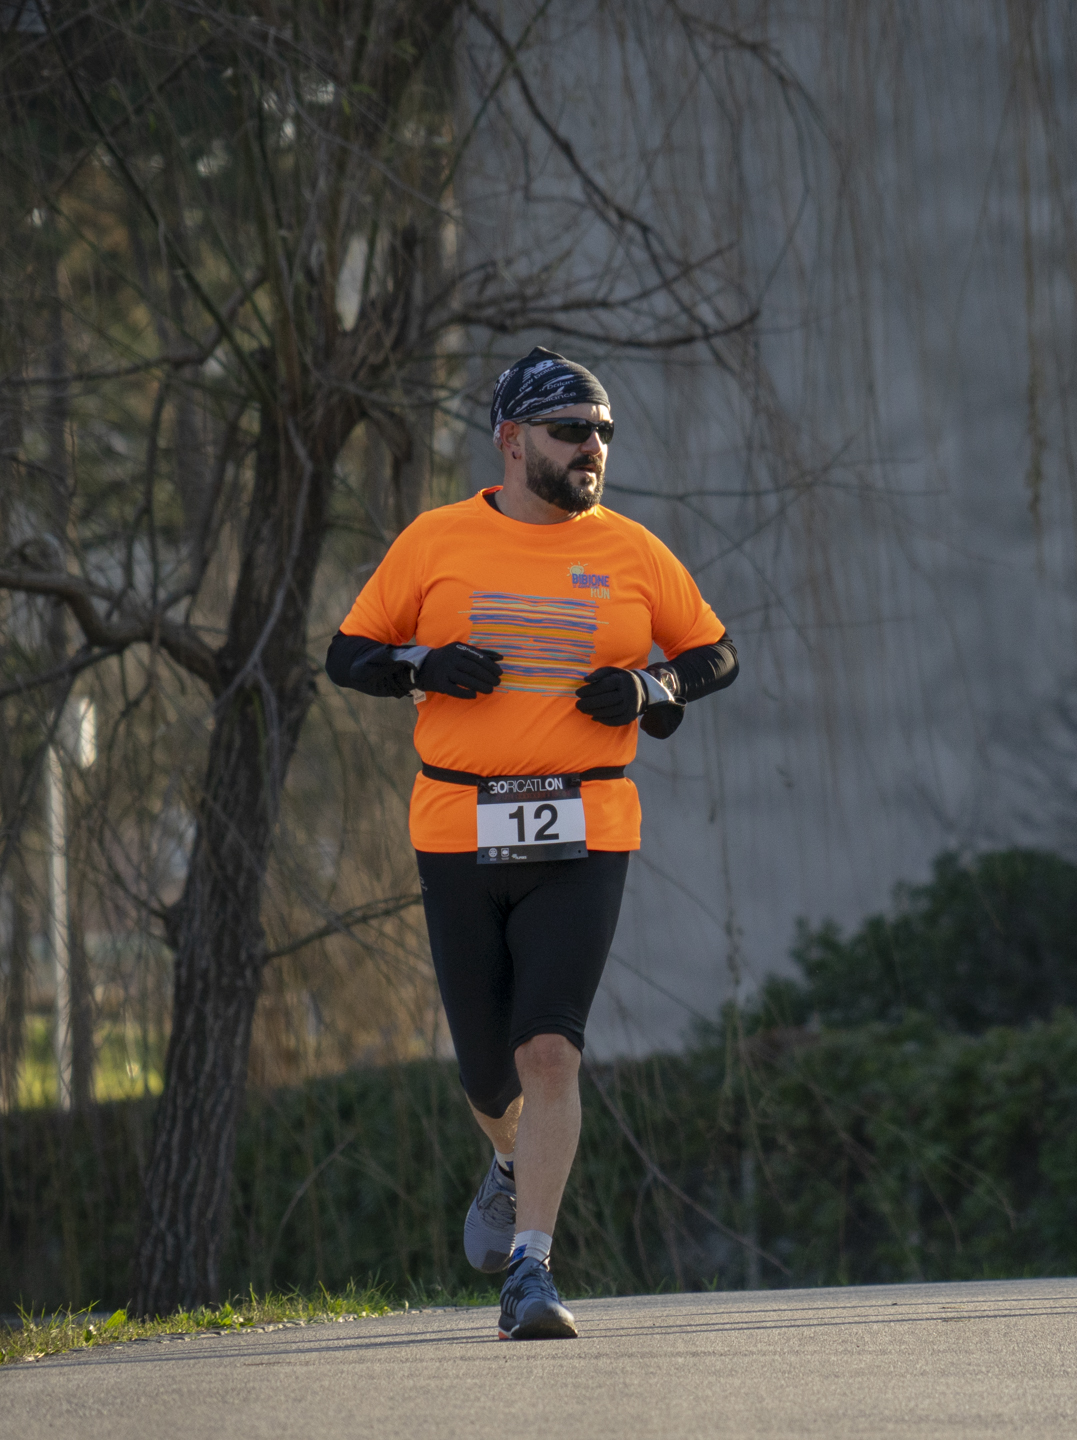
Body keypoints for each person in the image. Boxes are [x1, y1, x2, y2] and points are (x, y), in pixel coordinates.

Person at [327, 348, 738, 1338]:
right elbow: (348, 653)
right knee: (488, 1071)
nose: (592, 447)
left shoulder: (633, 551)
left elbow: (714, 653)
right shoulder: (436, 540)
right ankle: (509, 1159)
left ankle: (531, 1270)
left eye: (602, 432)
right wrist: (425, 666)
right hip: (457, 827)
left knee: (549, 1050)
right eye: (570, 431)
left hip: (584, 829)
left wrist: (649, 687)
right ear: (511, 442)